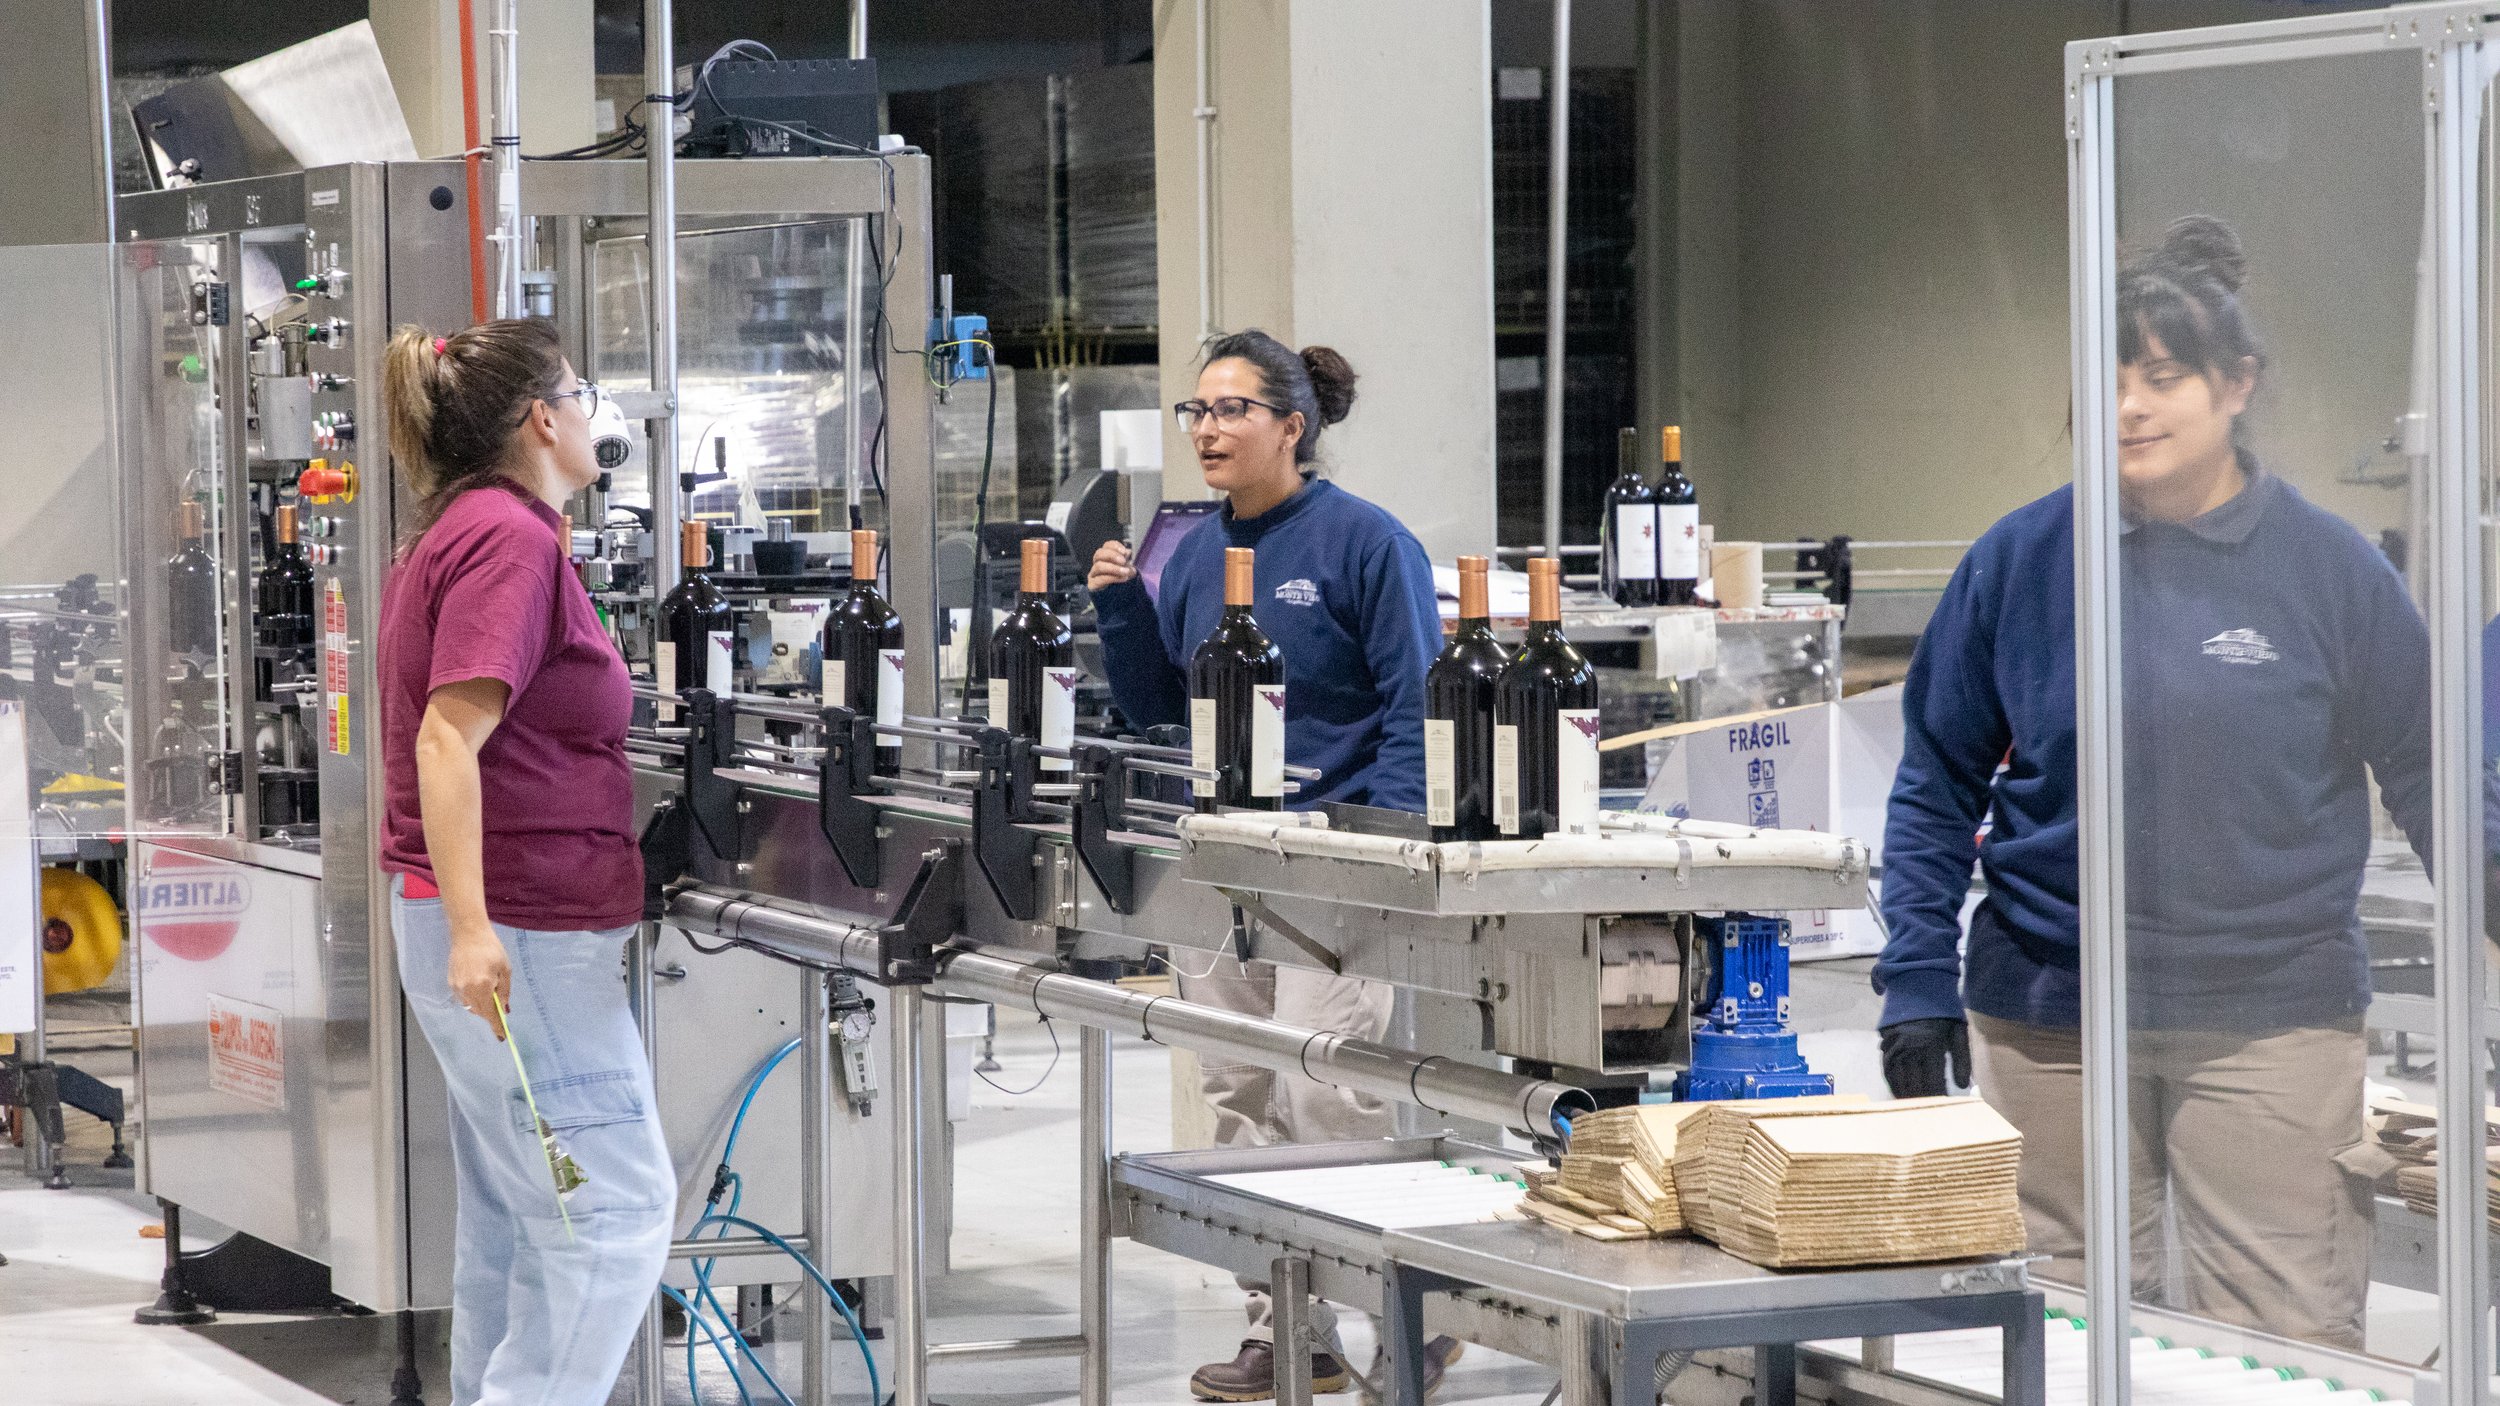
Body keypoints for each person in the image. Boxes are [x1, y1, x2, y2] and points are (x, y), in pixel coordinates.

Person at [1873, 216, 2433, 1352]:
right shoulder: (2021, 559)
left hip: (2268, 1016)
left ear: (2236, 385)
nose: (2128, 404)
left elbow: (2427, 769)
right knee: (2056, 1333)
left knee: (2281, 1339)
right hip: (2049, 1016)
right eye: (2108, 375)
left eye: (2162, 375)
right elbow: (1935, 779)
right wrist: (1914, 975)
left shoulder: (2329, 570)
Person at [1088, 330, 1460, 1401]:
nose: (1207, 430)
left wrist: (1379, 848)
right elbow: (1167, 711)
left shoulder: (1362, 541)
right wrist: (1121, 608)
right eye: (1195, 411)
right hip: (1224, 855)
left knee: (1328, 1088)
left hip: (1334, 860)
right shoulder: (1197, 552)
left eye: (1231, 409)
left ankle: (1400, 1322)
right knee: (1236, 1089)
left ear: (1290, 426)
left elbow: (1413, 701)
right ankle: (1284, 1326)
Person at [377, 320, 673, 1404]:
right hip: (522, 936)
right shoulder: (511, 540)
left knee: (520, 1222)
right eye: (583, 393)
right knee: (612, 1216)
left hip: (493, 924)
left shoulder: (460, 526)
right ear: (543, 418)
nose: (596, 414)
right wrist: (472, 929)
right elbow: (448, 735)